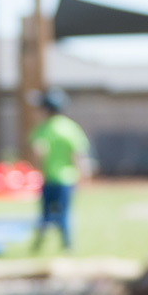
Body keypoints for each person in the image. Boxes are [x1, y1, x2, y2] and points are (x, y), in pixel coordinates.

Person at [28, 88, 89, 251]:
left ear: (47, 109)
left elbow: (38, 151)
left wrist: (38, 165)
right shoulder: (71, 128)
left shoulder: (44, 128)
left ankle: (38, 245)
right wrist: (83, 176)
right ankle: (67, 244)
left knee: (45, 214)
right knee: (65, 213)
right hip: (68, 179)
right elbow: (78, 154)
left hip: (49, 178)